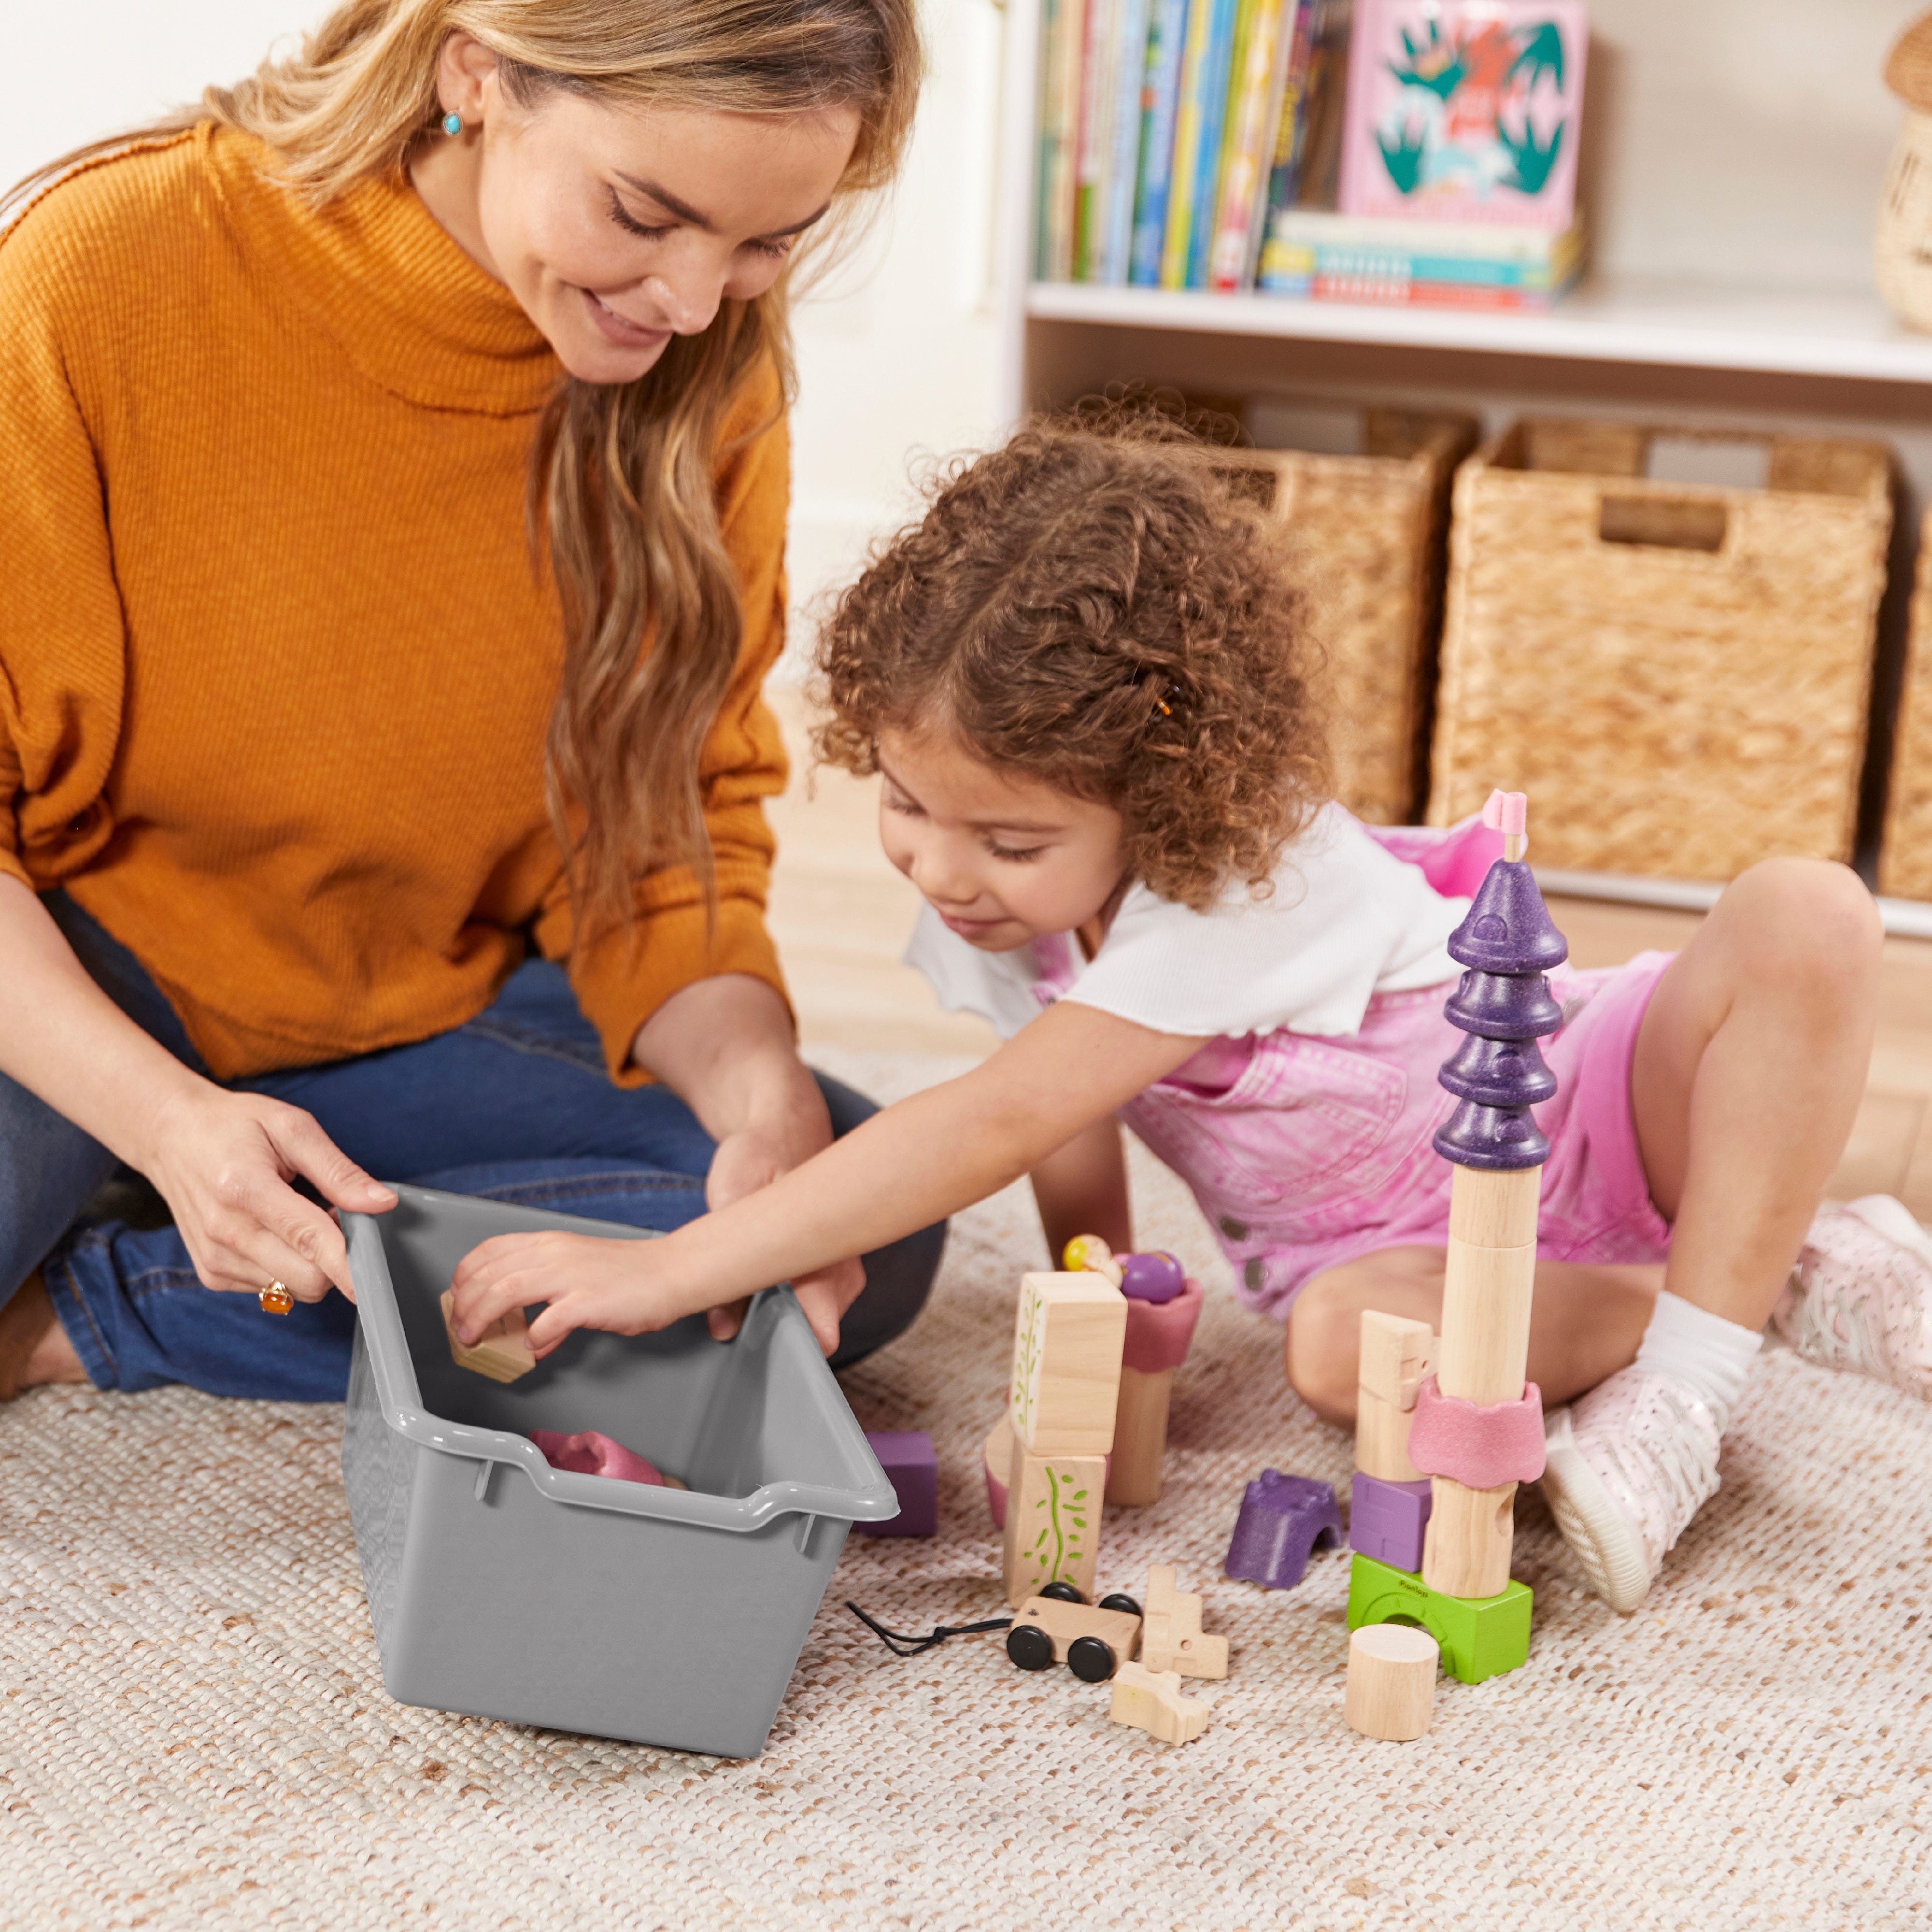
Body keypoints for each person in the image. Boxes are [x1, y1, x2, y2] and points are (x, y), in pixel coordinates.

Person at [449, 414, 1932, 1612]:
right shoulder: (984, 902)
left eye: (1011, 844)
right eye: (904, 806)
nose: (944, 871)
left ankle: (1694, 1372)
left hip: (1585, 1100)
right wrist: (1107, 1293)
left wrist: (670, 1269)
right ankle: (1771, 1265)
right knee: (1344, 1366)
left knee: (1807, 909)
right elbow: (1061, 1115)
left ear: (1156, 803)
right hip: (1382, 1262)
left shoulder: (1244, 874)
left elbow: (994, 1116)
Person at [0, 0, 942, 1405]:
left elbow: (665, 827)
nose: (691, 300)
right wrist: (168, 1119)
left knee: (861, 1229)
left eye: (764, 242)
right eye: (643, 213)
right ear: (477, 76)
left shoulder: (704, 373)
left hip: (400, 1018)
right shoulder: (105, 267)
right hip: (71, 992)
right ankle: (180, 1191)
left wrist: (765, 1108)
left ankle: (85, 1312)